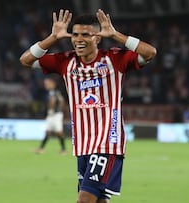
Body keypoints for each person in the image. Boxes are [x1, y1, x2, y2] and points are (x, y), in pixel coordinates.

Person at [20, 9, 156, 203]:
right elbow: (26, 60)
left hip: (107, 143)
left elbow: (150, 52)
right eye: (75, 35)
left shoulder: (114, 59)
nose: (79, 39)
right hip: (82, 145)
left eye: (86, 34)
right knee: (99, 200)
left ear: (98, 38)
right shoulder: (65, 62)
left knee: (84, 200)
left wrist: (116, 35)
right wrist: (52, 38)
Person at [35, 75, 67, 155]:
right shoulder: (51, 92)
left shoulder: (54, 92)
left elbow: (58, 102)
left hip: (56, 114)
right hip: (51, 115)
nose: (46, 85)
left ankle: (63, 149)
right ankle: (41, 148)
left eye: (47, 83)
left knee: (59, 132)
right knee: (47, 132)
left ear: (52, 84)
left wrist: (55, 109)